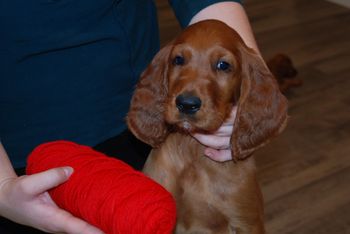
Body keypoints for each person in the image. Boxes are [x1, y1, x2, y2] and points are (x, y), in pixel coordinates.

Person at [0, 0, 260, 233]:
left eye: (223, 66)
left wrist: (251, 95)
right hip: (15, 158)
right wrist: (2, 185)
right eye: (179, 61)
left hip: (126, 134)